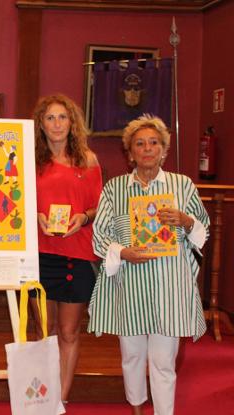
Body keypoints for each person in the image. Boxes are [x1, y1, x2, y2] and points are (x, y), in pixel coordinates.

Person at [88, 115, 209, 415]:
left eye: (154, 143)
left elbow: (203, 230)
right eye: (139, 144)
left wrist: (185, 220)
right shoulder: (114, 189)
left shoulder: (183, 185)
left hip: (170, 286)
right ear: (129, 153)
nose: (147, 149)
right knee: (131, 356)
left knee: (163, 361)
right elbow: (99, 236)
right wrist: (122, 252)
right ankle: (137, 407)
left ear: (164, 149)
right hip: (130, 286)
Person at [30, 94, 103, 403]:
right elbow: (14, 201)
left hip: (77, 252)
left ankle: (59, 400)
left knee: (68, 331)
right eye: (50, 118)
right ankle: (39, 394)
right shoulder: (30, 159)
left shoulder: (88, 159)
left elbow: (99, 207)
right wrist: (36, 216)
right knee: (41, 331)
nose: (57, 124)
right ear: (41, 125)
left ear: (72, 122)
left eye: (63, 117)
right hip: (37, 253)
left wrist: (83, 217)